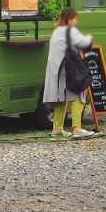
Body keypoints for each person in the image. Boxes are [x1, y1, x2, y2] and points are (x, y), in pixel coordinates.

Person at [42, 7, 95, 138]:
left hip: (55, 70)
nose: (76, 21)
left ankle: (57, 129)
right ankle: (77, 128)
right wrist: (89, 37)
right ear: (70, 19)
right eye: (75, 19)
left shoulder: (56, 31)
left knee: (61, 98)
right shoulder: (69, 31)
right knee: (79, 94)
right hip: (68, 70)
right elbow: (84, 42)